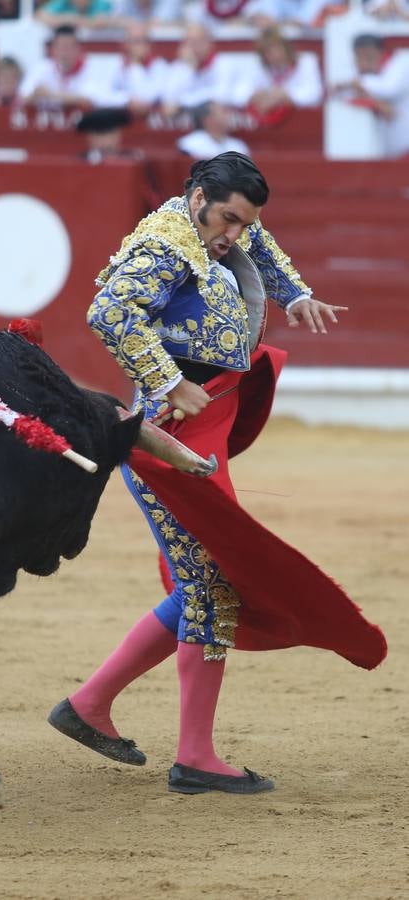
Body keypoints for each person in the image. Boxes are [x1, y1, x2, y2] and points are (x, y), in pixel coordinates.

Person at [47, 152, 372, 796]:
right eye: (227, 218)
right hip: (168, 433)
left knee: (207, 579)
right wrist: (168, 380)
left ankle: (90, 705)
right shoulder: (167, 249)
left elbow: (260, 243)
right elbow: (109, 312)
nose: (235, 234)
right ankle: (193, 755)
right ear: (197, 197)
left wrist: (296, 294)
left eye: (243, 222)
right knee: (212, 584)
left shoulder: (211, 227)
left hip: (200, 427)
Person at [331, 33, 409, 159]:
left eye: (369, 56)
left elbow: (389, 88)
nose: (364, 61)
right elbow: (340, 94)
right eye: (359, 56)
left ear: (380, 52)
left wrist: (357, 84)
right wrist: (374, 102)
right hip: (385, 144)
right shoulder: (359, 71)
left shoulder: (402, 63)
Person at [233, 27, 323, 126]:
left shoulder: (306, 62)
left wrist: (283, 96)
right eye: (267, 52)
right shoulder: (258, 66)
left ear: (286, 48)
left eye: (277, 48)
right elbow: (238, 93)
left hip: (301, 124)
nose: (274, 55)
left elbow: (315, 94)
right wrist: (256, 95)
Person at [160, 23, 238, 119]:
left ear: (209, 42)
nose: (193, 47)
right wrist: (190, 69)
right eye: (189, 42)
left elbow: (220, 97)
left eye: (197, 41)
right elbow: (169, 101)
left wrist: (182, 104)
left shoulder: (224, 64)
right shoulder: (179, 67)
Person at [18, 24, 101, 112]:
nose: (64, 53)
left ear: (78, 49)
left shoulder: (90, 68)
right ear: (53, 49)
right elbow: (21, 99)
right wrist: (34, 95)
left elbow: (90, 100)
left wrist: (50, 95)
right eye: (61, 47)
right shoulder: (41, 68)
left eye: (68, 47)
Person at [178, 100, 250, 158]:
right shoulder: (189, 144)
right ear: (208, 120)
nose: (228, 116)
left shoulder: (237, 145)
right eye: (223, 112)